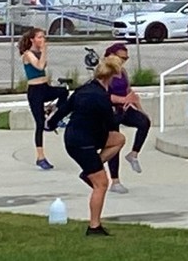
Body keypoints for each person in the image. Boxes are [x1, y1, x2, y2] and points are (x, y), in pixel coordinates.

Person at [45, 55, 126, 236]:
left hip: (74, 138)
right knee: (101, 184)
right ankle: (94, 226)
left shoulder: (82, 90)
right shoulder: (102, 98)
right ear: (110, 78)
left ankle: (90, 170)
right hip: (84, 143)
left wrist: (49, 124)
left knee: (119, 139)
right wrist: (124, 111)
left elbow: (63, 109)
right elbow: (111, 124)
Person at [19, 27, 69, 170]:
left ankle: (53, 113)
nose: (43, 40)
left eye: (43, 37)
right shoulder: (28, 54)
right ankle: (40, 157)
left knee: (63, 91)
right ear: (32, 40)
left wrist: (43, 51)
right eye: (40, 37)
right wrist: (45, 51)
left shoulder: (39, 53)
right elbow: (40, 65)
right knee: (40, 124)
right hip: (35, 91)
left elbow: (42, 67)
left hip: (44, 87)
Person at [103, 43, 151, 194]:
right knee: (114, 143)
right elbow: (103, 95)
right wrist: (120, 100)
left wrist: (140, 109)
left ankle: (134, 154)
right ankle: (115, 180)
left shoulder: (122, 72)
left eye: (126, 58)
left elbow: (129, 90)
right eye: (121, 58)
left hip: (124, 109)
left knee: (144, 122)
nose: (123, 61)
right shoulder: (106, 73)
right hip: (110, 112)